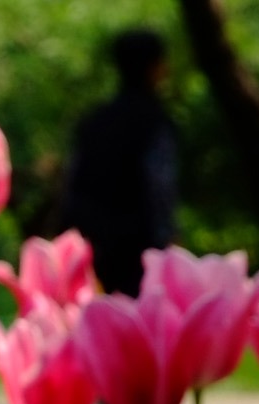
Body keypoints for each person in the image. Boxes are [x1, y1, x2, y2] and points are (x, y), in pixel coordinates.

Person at [63, 26, 178, 297]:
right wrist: (168, 241)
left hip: (95, 246)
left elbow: (72, 183)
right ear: (155, 67)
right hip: (141, 249)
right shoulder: (155, 122)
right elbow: (159, 185)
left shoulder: (94, 121)